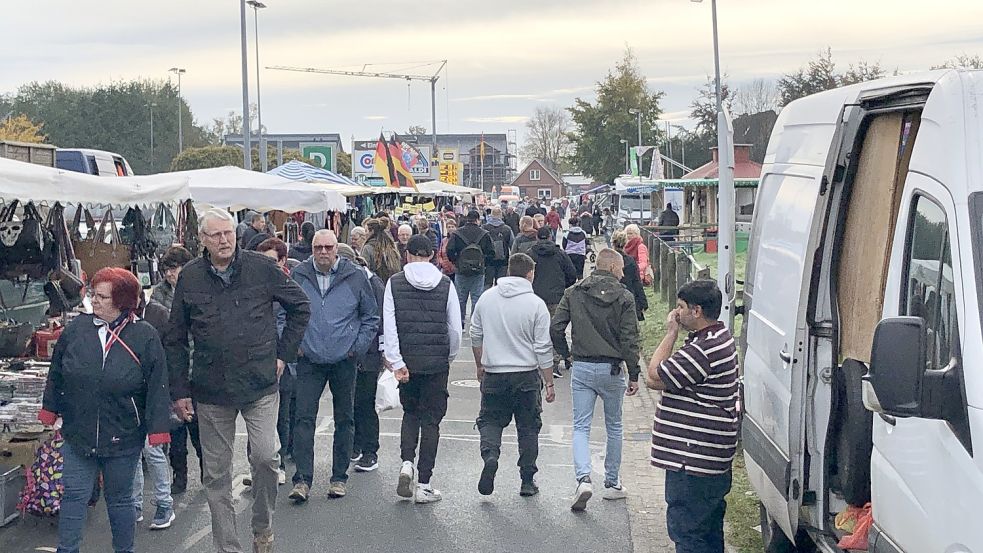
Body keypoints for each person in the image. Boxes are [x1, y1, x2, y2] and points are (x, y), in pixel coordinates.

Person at [164, 208, 310, 553]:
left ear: (236, 234)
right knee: (215, 475)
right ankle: (228, 546)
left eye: (228, 232)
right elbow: (175, 336)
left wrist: (282, 354)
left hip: (260, 383)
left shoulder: (261, 268)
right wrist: (179, 391)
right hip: (211, 389)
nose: (224, 240)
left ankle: (263, 526)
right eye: (215, 235)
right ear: (202, 239)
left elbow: (300, 307)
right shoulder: (190, 277)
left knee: (265, 458)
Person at [39, 267, 172, 553]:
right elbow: (56, 373)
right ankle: (67, 550)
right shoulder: (76, 330)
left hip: (123, 435)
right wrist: (49, 410)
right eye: (93, 294)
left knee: (120, 500)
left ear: (122, 302)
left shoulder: (144, 335)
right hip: (78, 432)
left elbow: (158, 385)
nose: (93, 300)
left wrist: (157, 430)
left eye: (101, 296)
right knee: (73, 495)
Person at [646, 280, 738, 553]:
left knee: (687, 532)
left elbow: (654, 375)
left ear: (696, 311)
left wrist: (670, 333)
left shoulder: (702, 350)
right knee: (708, 531)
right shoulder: (719, 339)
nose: (676, 312)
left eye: (681, 307)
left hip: (692, 459)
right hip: (710, 456)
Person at [288, 230, 380, 502]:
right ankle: (302, 479)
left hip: (344, 360)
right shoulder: (300, 275)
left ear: (336, 250)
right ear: (312, 249)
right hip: (309, 360)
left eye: (328, 247)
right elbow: (283, 314)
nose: (323, 252)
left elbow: (370, 317)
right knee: (303, 419)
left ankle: (339, 477)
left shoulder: (355, 276)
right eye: (318, 247)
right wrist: (296, 346)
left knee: (345, 419)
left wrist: (356, 348)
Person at [550, 248, 640, 512]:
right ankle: (612, 483)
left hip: (583, 366)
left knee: (580, 426)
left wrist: (566, 355)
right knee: (614, 426)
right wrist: (634, 372)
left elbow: (556, 327)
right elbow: (630, 338)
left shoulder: (574, 292)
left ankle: (583, 479)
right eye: (621, 268)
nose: (623, 273)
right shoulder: (625, 297)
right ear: (612, 268)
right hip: (612, 369)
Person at [383, 235, 462, 504]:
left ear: (407, 255)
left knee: (411, 414)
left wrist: (396, 361)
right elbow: (455, 327)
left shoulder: (394, 283)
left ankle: (407, 462)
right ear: (431, 255)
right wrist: (449, 356)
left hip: (408, 361)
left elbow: (389, 324)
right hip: (437, 360)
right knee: (431, 421)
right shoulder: (445, 284)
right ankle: (425, 483)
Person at [470, 253, 555, 498]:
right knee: (528, 427)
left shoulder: (487, 298)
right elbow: (542, 346)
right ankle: (527, 480)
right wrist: (548, 380)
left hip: (495, 373)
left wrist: (480, 364)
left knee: (490, 421)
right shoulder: (536, 304)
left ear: (509, 270)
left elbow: (476, 334)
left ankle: (491, 454)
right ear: (530, 274)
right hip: (526, 375)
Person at [336, 243, 386, 473]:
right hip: (347, 352)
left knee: (365, 403)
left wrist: (384, 351)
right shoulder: (347, 281)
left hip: (368, 353)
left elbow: (379, 319)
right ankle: (355, 445)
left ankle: (370, 450)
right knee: (351, 402)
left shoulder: (371, 282)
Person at [256, 238, 297, 485]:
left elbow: (294, 320)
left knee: (281, 413)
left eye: (271, 261)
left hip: (283, 360)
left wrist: (285, 353)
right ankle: (259, 465)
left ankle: (279, 463)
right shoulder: (253, 285)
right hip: (258, 359)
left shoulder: (290, 286)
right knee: (257, 414)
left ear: (282, 261)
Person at [528, 226, 577, 379]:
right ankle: (554, 362)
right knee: (555, 330)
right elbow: (572, 274)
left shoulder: (530, 254)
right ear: (550, 237)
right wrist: (563, 287)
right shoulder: (560, 254)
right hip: (556, 298)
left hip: (534, 298)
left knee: (535, 330)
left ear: (537, 237)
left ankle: (534, 361)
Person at [446, 210, 494, 328]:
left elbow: (449, 250)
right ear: (478, 220)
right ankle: (475, 324)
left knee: (461, 298)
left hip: (461, 271)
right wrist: (483, 262)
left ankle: (460, 323)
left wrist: (457, 262)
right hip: (478, 271)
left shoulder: (457, 234)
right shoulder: (484, 234)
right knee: (476, 297)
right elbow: (492, 253)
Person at [612, 231, 648, 321]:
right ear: (625, 243)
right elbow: (637, 282)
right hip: (628, 297)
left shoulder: (607, 259)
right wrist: (643, 302)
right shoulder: (630, 261)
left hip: (610, 298)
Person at [361, 217, 403, 284]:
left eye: (366, 231)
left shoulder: (367, 248)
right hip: (391, 283)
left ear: (372, 231)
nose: (364, 233)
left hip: (375, 286)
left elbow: (363, 270)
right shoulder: (390, 246)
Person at [151, 246, 193, 310]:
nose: (168, 274)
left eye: (173, 269)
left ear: (186, 267)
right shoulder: (158, 292)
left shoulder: (199, 290)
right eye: (165, 270)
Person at [482, 206, 514, 289]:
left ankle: (487, 301)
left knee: (487, 284)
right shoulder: (507, 229)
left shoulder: (484, 228)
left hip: (488, 261)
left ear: (491, 215)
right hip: (503, 261)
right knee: (500, 285)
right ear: (501, 216)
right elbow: (512, 245)